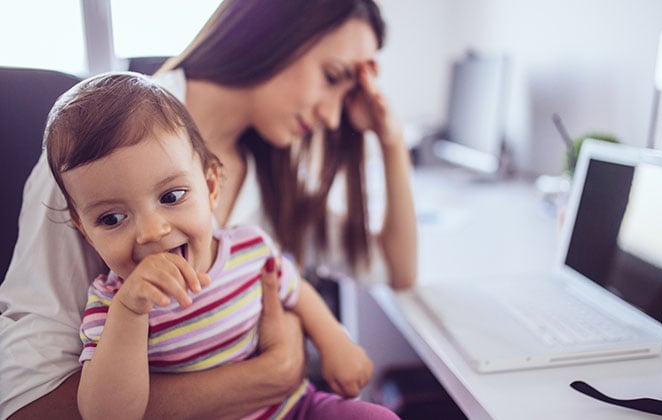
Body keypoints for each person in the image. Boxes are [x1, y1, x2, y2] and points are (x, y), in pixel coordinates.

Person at [0, 0, 417, 417]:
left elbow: (392, 268)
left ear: (211, 183)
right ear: (273, 32)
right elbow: (23, 399)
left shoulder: (268, 170)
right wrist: (270, 374)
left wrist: (391, 139)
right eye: (332, 77)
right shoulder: (99, 151)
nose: (331, 116)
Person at [45, 71, 398, 420]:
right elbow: (106, 416)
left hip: (292, 409)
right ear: (87, 232)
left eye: (171, 196)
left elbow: (296, 290)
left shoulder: (251, 248)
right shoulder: (111, 305)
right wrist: (131, 314)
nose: (152, 231)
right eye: (111, 219)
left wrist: (335, 342)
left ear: (211, 187)